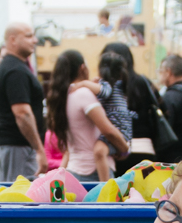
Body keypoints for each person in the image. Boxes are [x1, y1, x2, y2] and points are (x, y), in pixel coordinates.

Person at [46, 49, 128, 183]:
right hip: (94, 172)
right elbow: (108, 130)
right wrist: (124, 149)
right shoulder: (83, 94)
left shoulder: (62, 96)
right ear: (82, 68)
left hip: (73, 170)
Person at [0, 22, 46, 180]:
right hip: (16, 147)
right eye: (29, 36)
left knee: (13, 197)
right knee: (17, 199)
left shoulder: (13, 67)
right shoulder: (15, 71)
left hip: (12, 147)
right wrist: (39, 149)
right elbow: (22, 113)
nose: (34, 40)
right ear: (12, 40)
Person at [102, 41, 164, 174]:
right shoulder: (143, 82)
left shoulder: (106, 86)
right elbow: (162, 106)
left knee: (119, 194)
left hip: (117, 150)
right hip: (145, 150)